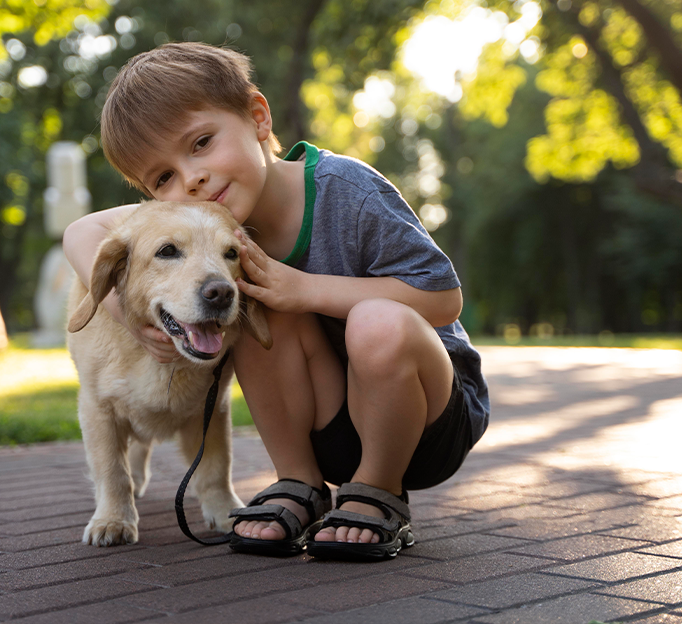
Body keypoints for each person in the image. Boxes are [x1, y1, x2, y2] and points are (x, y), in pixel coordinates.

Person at [62, 42, 489, 561]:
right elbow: (82, 231)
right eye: (163, 178)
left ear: (258, 117)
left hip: (429, 421)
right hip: (331, 425)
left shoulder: (347, 190)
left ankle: (379, 492)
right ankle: (300, 483)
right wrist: (127, 319)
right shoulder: (204, 223)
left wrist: (305, 288)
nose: (190, 178)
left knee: (375, 322)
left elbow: (443, 297)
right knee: (254, 307)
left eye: (200, 143)